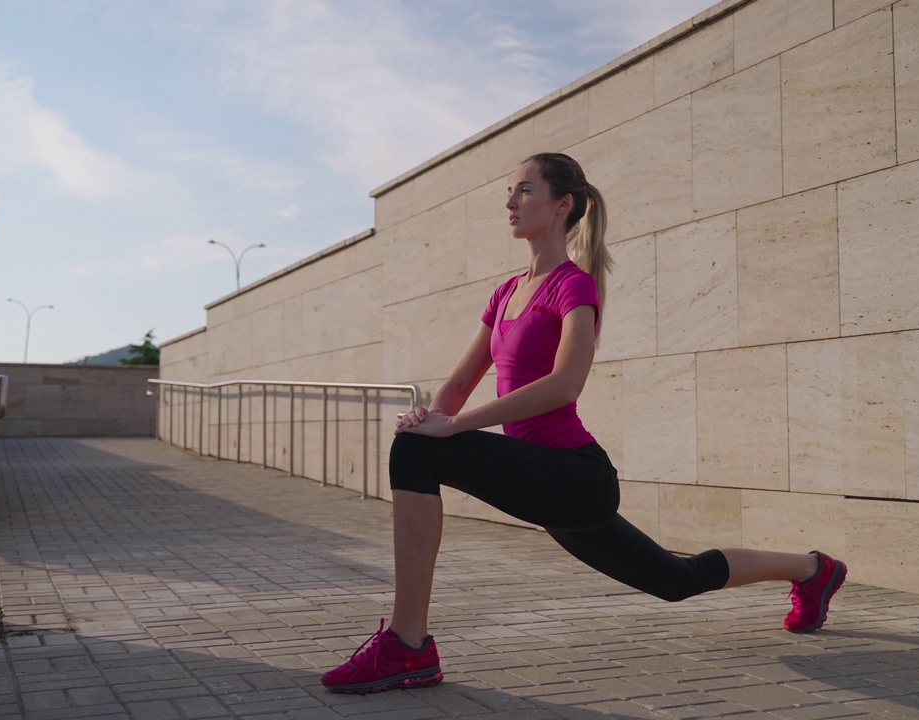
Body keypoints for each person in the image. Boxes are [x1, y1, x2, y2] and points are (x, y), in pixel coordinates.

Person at [320, 152, 847, 695]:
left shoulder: (573, 287)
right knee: (676, 580)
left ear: (562, 204)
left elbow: (564, 384)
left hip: (578, 478)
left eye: (524, 190)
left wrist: (451, 429)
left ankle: (408, 647)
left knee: (417, 452)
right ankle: (812, 569)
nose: (510, 202)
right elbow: (457, 387)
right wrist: (429, 415)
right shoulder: (505, 293)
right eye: (510, 191)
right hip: (550, 486)